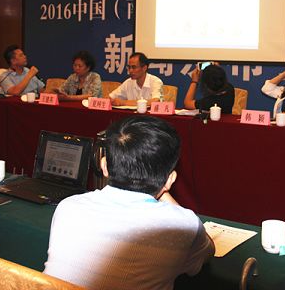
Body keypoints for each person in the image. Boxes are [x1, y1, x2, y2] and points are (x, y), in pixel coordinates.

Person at [44, 116, 214, 290]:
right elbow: (208, 252)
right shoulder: (184, 226)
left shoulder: (68, 207)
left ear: (104, 166)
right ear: (170, 179)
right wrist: (163, 189)